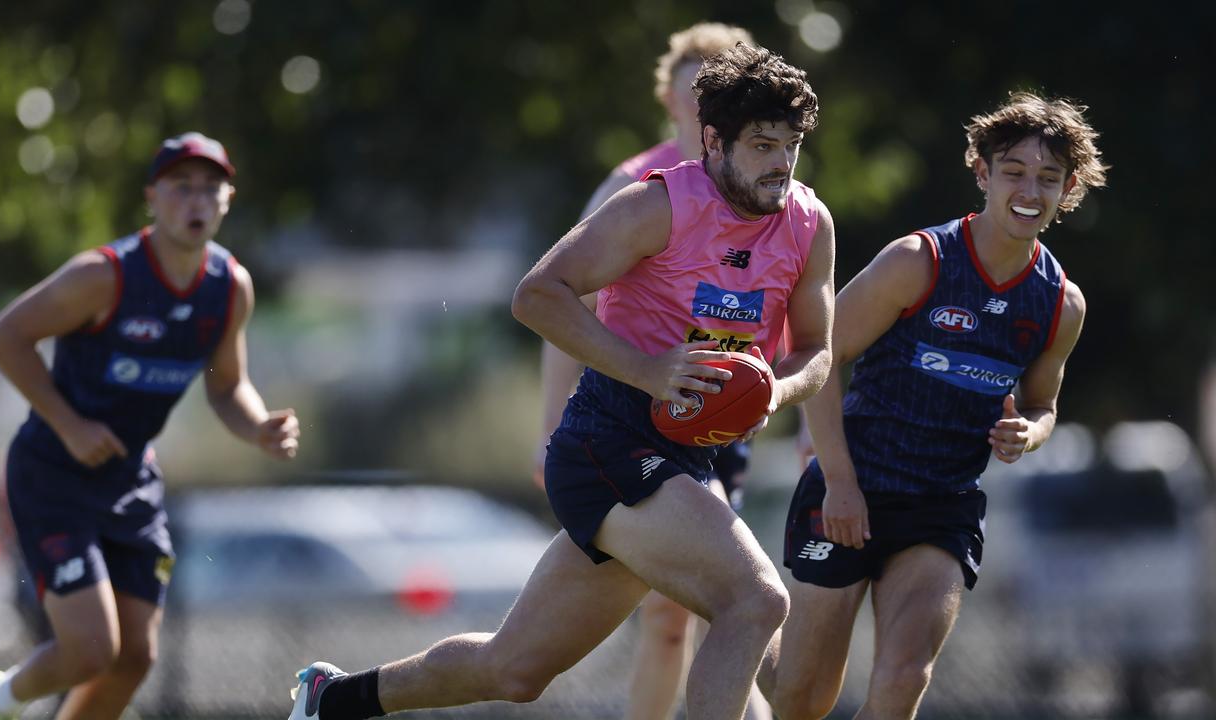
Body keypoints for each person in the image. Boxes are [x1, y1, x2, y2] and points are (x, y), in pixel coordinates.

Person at [289, 43, 834, 720]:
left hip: (689, 452)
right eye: (762, 145)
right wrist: (650, 371)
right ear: (713, 141)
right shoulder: (654, 206)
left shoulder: (809, 224)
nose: (781, 163)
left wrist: (775, 392)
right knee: (756, 601)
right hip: (610, 440)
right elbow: (538, 295)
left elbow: (815, 349)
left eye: (791, 145)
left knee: (513, 668)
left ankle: (333, 700)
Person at [759, 92, 1108, 720]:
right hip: (853, 488)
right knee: (802, 700)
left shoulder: (1061, 305)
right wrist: (839, 483)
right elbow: (818, 357)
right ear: (982, 174)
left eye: (1049, 178)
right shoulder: (918, 262)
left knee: (905, 679)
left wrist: (1026, 433)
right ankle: (741, 620)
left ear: (1069, 188)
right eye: (1014, 172)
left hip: (940, 508)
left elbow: (1044, 405)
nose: (1030, 190)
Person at [0, 132, 300, 720]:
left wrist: (257, 428)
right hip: (54, 476)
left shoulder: (230, 289)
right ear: (152, 196)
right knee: (93, 649)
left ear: (227, 199)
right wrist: (70, 424)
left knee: (135, 660)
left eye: (210, 188)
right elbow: (6, 337)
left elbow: (226, 386)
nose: (195, 201)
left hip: (130, 484)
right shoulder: (104, 276)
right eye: (181, 187)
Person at [531, 21, 771, 720]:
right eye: (690, 82)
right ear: (668, 95)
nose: (703, 95)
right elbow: (557, 302)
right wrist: (548, 425)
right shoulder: (635, 185)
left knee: (729, 606)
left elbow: (798, 333)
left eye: (718, 80)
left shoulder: (770, 190)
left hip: (723, 422)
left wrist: (805, 417)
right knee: (698, 609)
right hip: (635, 422)